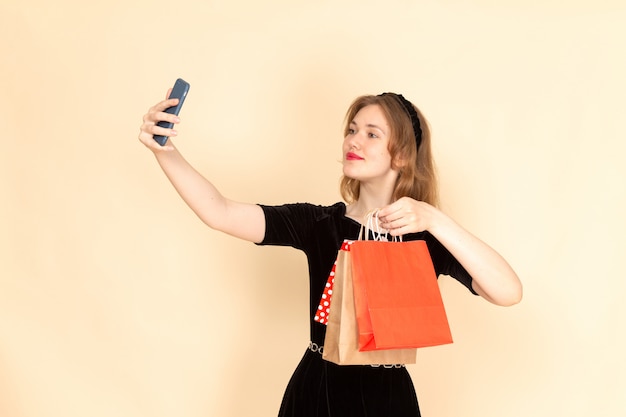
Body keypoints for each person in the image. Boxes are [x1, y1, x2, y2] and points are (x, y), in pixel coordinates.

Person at [138, 89, 523, 417]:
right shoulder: (319, 223)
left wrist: (435, 220)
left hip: (388, 399)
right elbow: (219, 211)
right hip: (317, 391)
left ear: (402, 155)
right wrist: (165, 151)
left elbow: (508, 291)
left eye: (372, 134)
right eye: (352, 130)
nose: (354, 141)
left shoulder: (425, 237)